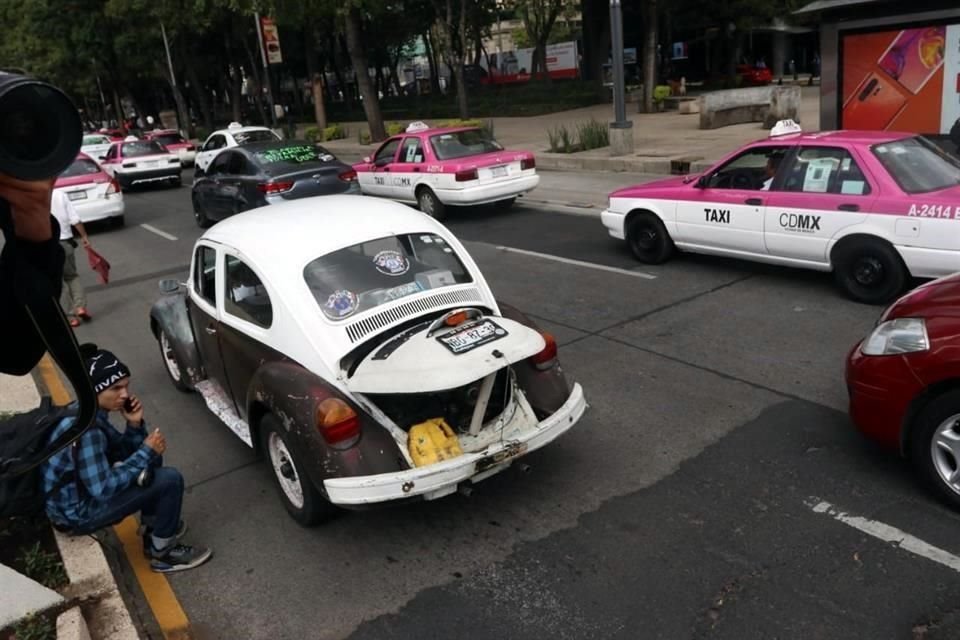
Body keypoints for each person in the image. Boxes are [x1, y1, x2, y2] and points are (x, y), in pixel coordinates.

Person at [42, 347, 213, 573]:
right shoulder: (87, 431)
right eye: (116, 388)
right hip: (76, 516)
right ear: (95, 389)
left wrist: (134, 425)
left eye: (126, 386)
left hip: (75, 500)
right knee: (170, 479)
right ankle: (162, 553)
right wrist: (146, 452)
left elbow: (121, 453)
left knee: (151, 462)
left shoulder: (85, 412)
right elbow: (103, 489)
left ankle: (154, 530)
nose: (125, 394)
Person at [50, 189, 92, 327]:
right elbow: (74, 218)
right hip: (65, 243)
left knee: (57, 281)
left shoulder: (31, 194)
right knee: (72, 276)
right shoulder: (60, 194)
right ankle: (80, 307)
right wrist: (84, 236)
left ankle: (69, 317)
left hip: (46, 245)